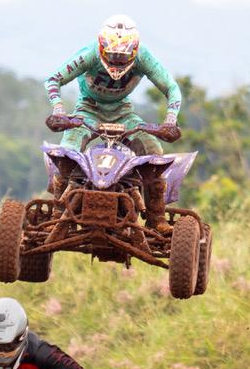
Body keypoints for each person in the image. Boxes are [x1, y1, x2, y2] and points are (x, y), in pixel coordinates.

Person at [43, 14, 183, 233]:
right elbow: (54, 79)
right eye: (112, 54)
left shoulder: (143, 57)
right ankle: (58, 212)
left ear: (135, 50)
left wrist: (170, 120)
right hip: (88, 110)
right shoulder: (90, 54)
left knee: (154, 152)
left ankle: (156, 217)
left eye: (122, 55)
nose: (117, 60)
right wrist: (59, 110)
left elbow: (171, 88)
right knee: (66, 153)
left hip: (123, 113)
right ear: (101, 46)